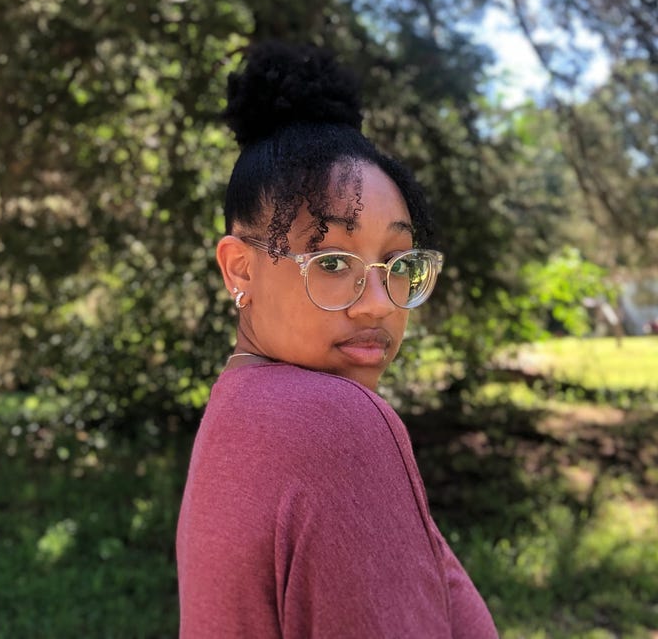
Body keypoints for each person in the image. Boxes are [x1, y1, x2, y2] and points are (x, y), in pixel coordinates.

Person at [176, 41, 499, 639]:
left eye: (398, 263)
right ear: (239, 270)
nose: (379, 302)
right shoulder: (335, 422)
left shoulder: (236, 411)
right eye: (330, 260)